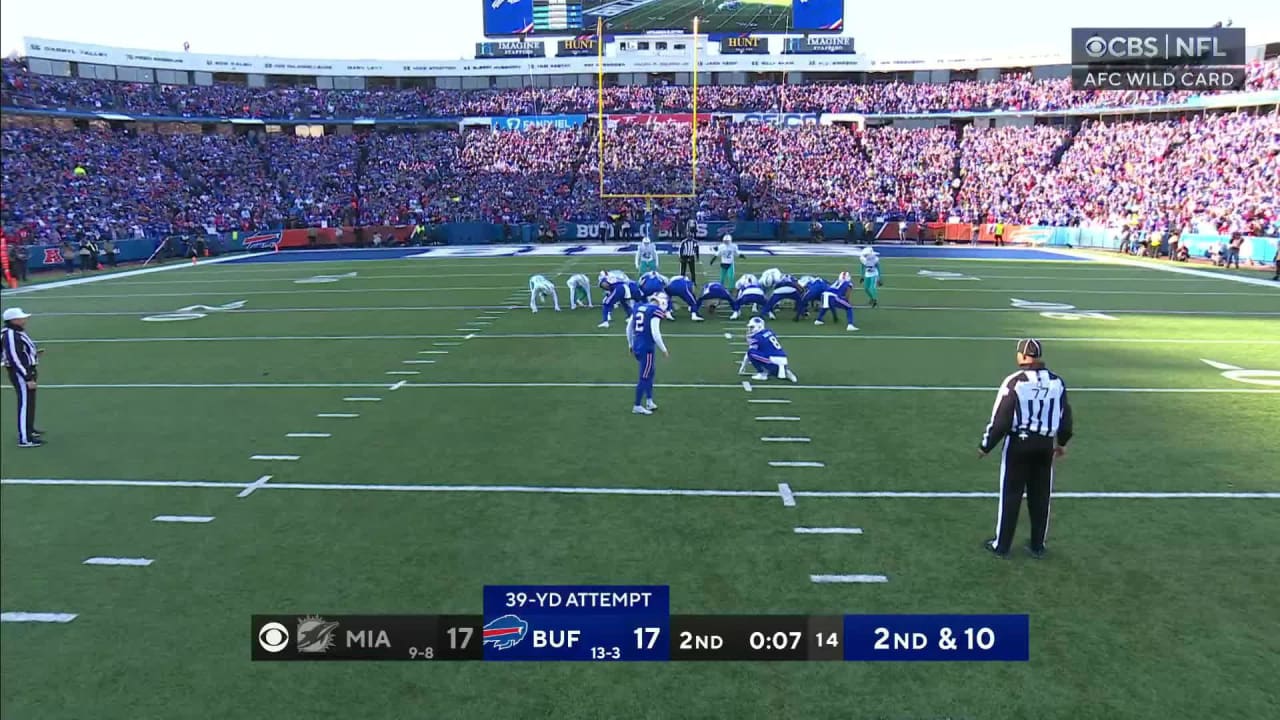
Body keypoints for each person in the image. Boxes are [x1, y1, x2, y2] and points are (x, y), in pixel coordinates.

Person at [978, 339, 1074, 559]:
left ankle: (1001, 545)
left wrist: (986, 445)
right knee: (1040, 495)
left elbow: (1001, 418)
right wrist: (1062, 442)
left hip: (1019, 445)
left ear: (1022, 355)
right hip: (1044, 445)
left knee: (1011, 494)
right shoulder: (1057, 382)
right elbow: (1065, 416)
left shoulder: (1015, 382)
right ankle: (1037, 545)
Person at [1, 308, 43, 447]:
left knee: (29, 401)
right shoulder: (11, 334)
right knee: (25, 402)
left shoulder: (16, 332)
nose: (24, 320)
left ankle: (29, 429)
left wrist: (33, 355)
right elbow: (14, 358)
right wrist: (27, 378)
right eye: (21, 318)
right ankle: (25, 438)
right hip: (21, 372)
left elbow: (20, 353)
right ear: (14, 320)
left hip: (26, 369)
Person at [625, 293, 669, 416]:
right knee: (644, 376)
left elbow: (629, 327)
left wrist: (630, 344)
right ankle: (637, 405)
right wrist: (664, 349)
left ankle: (649, 400)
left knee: (650, 372)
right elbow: (655, 333)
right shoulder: (654, 311)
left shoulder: (639, 307)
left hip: (637, 345)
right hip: (647, 348)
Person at [743, 317, 798, 383]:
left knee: (751, 353)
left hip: (773, 359)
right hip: (782, 357)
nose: (750, 329)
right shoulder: (769, 331)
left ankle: (762, 373)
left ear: (759, 326)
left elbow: (750, 352)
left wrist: (743, 366)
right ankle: (783, 370)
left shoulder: (757, 337)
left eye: (752, 327)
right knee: (759, 353)